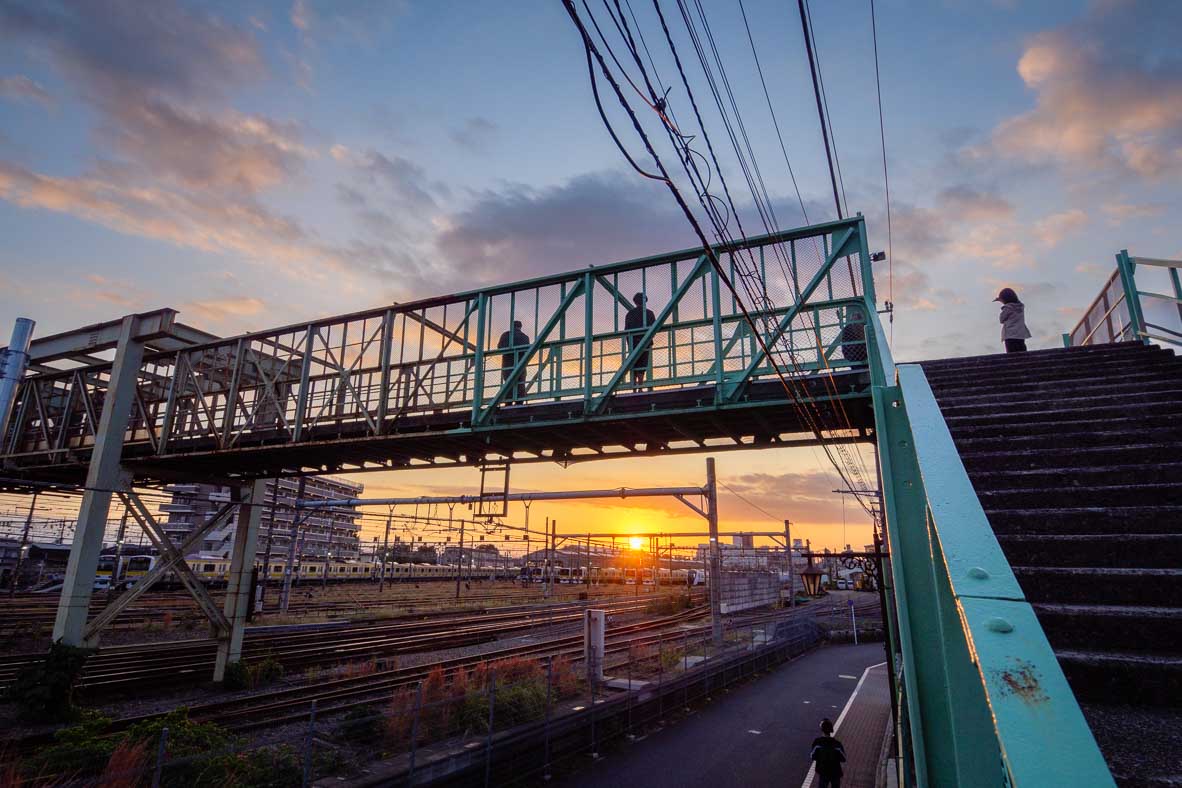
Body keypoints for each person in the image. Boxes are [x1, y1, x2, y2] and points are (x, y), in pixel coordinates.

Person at [624, 292, 656, 386]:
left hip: (633, 341)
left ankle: (634, 386)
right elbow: (654, 328)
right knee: (643, 363)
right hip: (645, 342)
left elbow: (627, 330)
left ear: (635, 302)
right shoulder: (649, 313)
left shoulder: (630, 314)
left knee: (634, 363)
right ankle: (640, 386)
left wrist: (629, 342)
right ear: (645, 301)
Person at [496, 320, 530, 403]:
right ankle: (519, 402)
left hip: (508, 365)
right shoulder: (525, 337)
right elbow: (528, 351)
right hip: (520, 365)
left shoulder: (506, 335)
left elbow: (500, 347)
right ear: (520, 327)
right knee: (520, 384)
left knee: (508, 384)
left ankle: (508, 402)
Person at [810, 718, 846, 788]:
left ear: (822, 730)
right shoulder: (837, 744)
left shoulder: (818, 742)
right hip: (835, 771)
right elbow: (843, 758)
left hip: (823, 771)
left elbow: (812, 756)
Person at [994, 287, 1031, 353]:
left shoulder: (1007, 308)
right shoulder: (1020, 307)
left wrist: (1003, 304)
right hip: (1020, 334)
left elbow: (1001, 319)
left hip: (1010, 335)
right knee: (1022, 352)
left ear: (1005, 299)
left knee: (1011, 353)